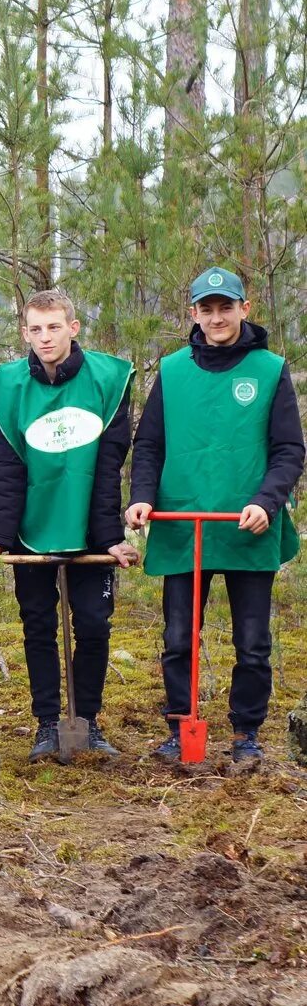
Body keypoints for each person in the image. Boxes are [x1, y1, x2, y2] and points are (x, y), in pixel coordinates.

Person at [127, 266, 304, 767]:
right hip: (183, 524)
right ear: (194, 314)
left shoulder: (269, 370)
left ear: (244, 309)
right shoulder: (173, 370)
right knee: (179, 637)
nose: (217, 317)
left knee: (252, 642)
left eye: (226, 307)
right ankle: (180, 726)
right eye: (207, 308)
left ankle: (246, 734)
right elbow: (150, 444)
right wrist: (141, 496)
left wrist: (266, 500)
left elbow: (289, 449)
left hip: (248, 524)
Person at [0, 290, 136, 762]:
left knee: (92, 624)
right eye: (36, 329)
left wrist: (110, 537)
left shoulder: (107, 379)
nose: (45, 337)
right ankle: (47, 723)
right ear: (25, 333)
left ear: (73, 327)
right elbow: (4, 470)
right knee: (38, 624)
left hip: (90, 529)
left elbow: (108, 467)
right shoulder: (8, 387)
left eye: (54, 327)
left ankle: (86, 721)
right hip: (30, 529)